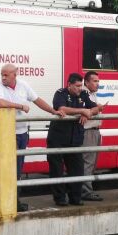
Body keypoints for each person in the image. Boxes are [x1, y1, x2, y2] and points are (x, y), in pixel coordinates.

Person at [0, 64, 59, 211]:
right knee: (9, 168)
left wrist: (53, 111)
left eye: (6, 75)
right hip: (7, 133)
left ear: (14, 75)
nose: (3, 77)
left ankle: (15, 200)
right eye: (2, 74)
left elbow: (37, 100)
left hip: (22, 132)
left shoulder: (23, 85)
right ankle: (10, 202)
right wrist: (21, 106)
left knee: (18, 168)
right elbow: (0, 103)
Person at [47, 73, 98, 207]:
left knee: (77, 169)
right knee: (57, 170)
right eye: (76, 86)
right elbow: (62, 108)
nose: (79, 88)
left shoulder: (83, 94)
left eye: (81, 85)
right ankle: (60, 199)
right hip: (58, 137)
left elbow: (96, 108)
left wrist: (89, 113)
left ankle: (75, 198)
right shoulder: (60, 93)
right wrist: (82, 111)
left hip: (75, 138)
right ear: (69, 85)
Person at [79, 71, 108, 201]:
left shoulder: (93, 94)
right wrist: (99, 109)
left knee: (92, 163)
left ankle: (86, 190)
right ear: (87, 82)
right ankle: (85, 192)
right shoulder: (84, 94)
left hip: (95, 131)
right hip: (88, 131)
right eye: (95, 81)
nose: (98, 84)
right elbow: (88, 111)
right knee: (88, 162)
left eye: (98, 81)